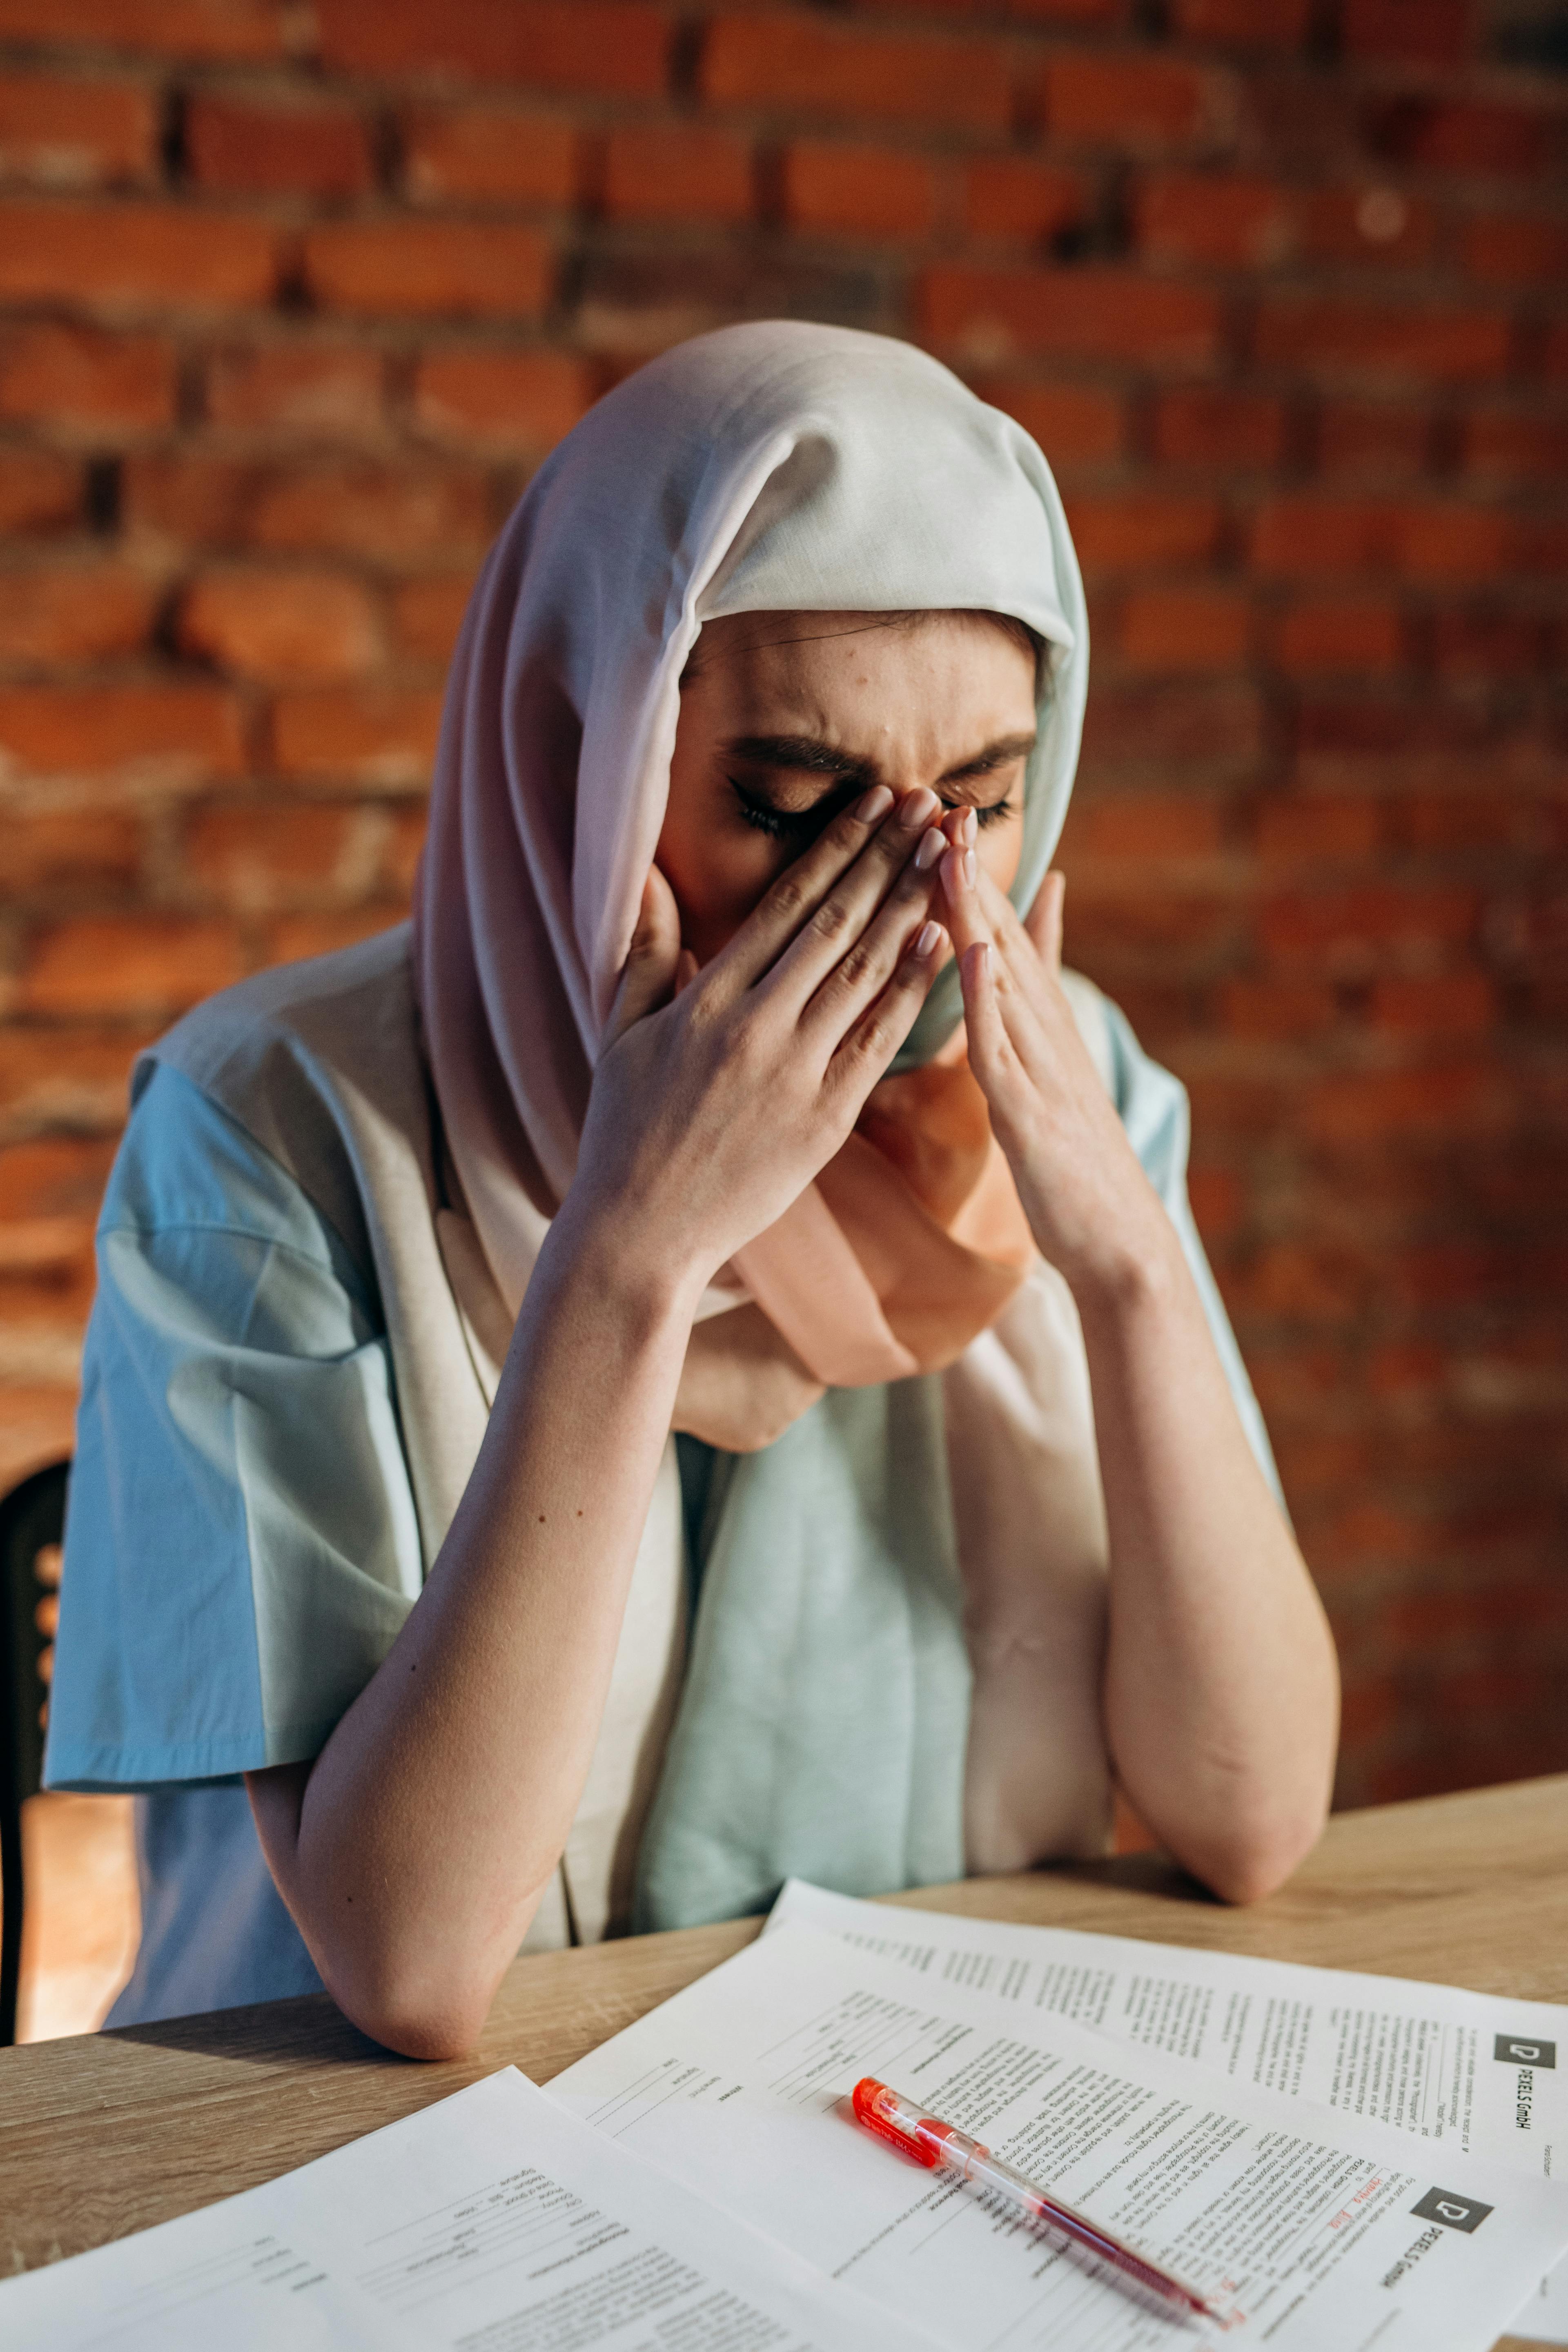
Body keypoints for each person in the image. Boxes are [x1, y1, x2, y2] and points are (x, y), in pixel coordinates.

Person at [45, 323, 1339, 2058]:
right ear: (586, 749)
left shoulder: (1061, 1079)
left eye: (986, 797)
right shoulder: (270, 1128)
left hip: (883, 2108)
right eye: (798, 805)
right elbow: (406, 1964)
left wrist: (1119, 1264)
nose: (916, 901)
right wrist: (629, 1254)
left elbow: (1249, 1817)